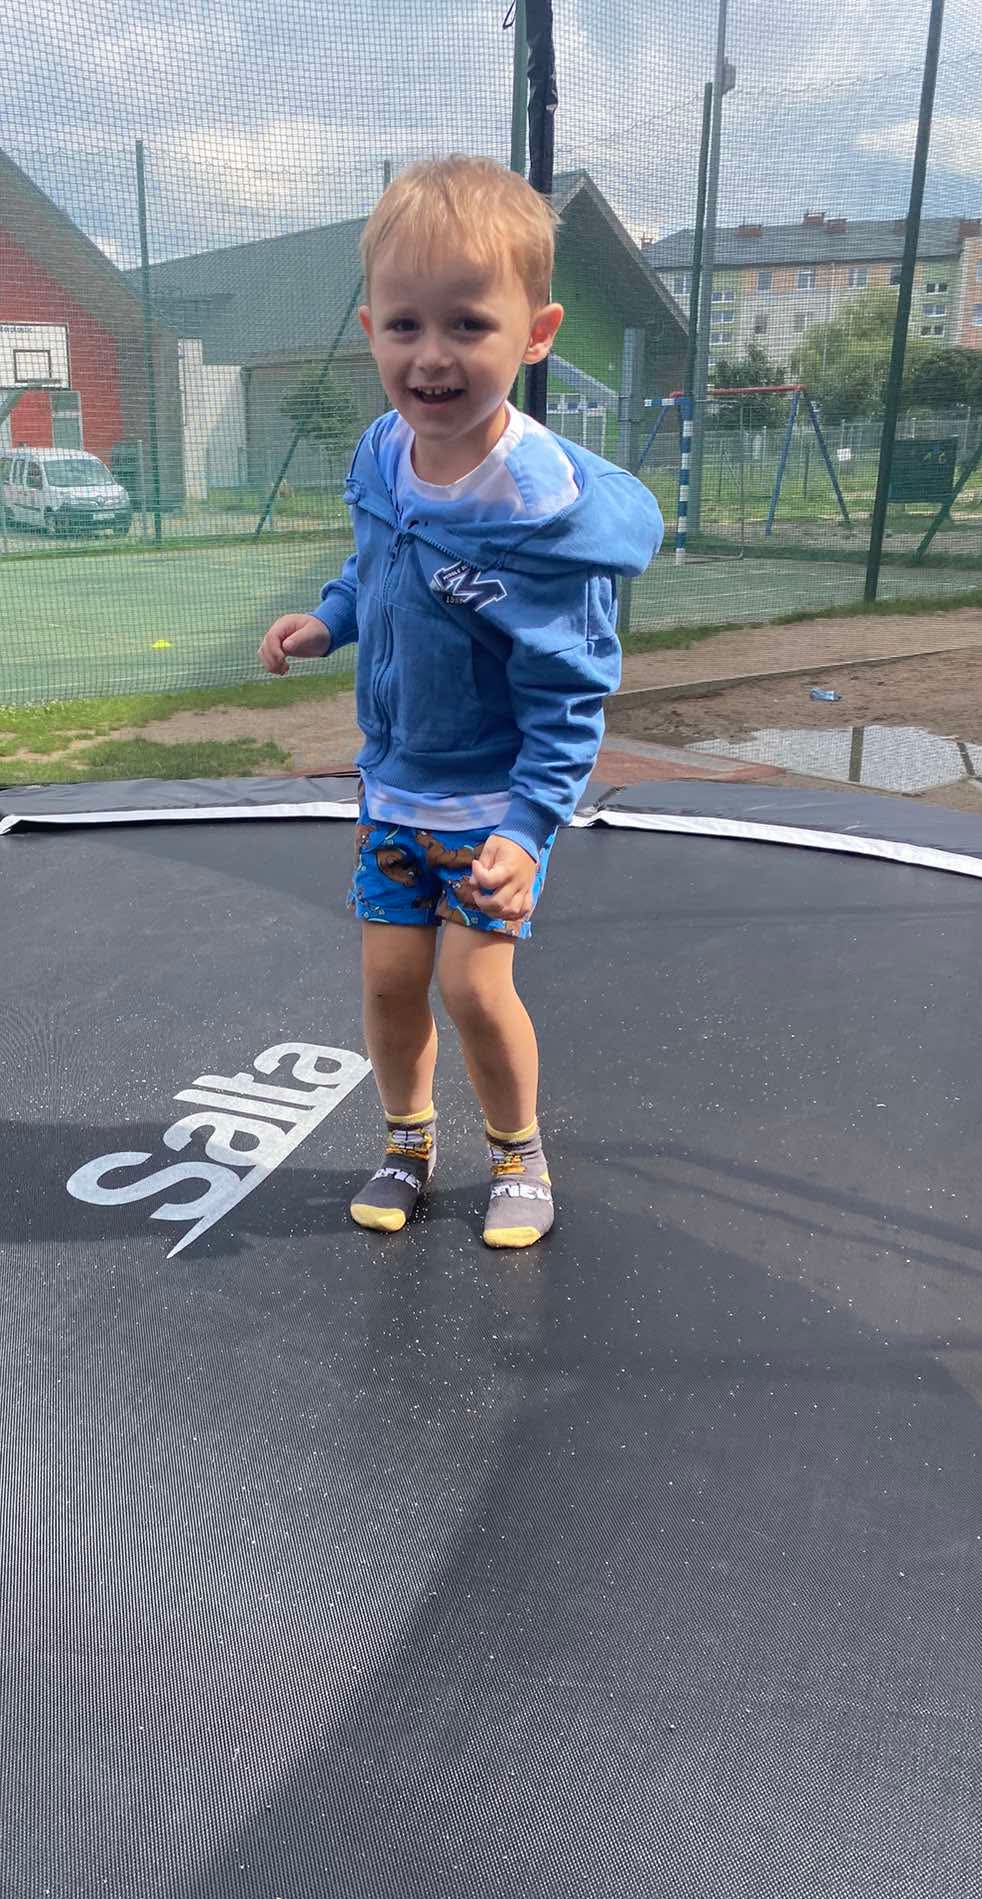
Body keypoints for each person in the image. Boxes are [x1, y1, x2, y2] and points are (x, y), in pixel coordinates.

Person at [258, 157, 661, 1248]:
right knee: (391, 982)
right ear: (370, 331)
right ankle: (407, 1144)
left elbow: (571, 694)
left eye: (468, 325)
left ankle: (519, 1153)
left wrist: (529, 829)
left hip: (492, 806)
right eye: (404, 326)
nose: (430, 356)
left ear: (536, 334)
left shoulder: (541, 519)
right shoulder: (383, 453)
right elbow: (377, 568)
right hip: (396, 789)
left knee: (475, 990)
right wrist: (329, 620)